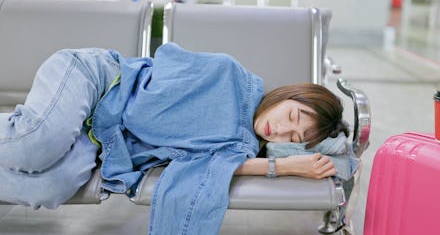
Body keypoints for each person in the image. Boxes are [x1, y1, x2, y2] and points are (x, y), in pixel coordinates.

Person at [0, 43, 347, 234]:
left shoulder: (235, 147)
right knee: (36, 146)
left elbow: (209, 170)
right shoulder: (229, 75)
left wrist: (283, 165)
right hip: (96, 81)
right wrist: (277, 165)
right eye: (291, 115)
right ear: (287, 95)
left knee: (52, 186)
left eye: (294, 136)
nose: (282, 129)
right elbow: (149, 112)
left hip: (97, 142)